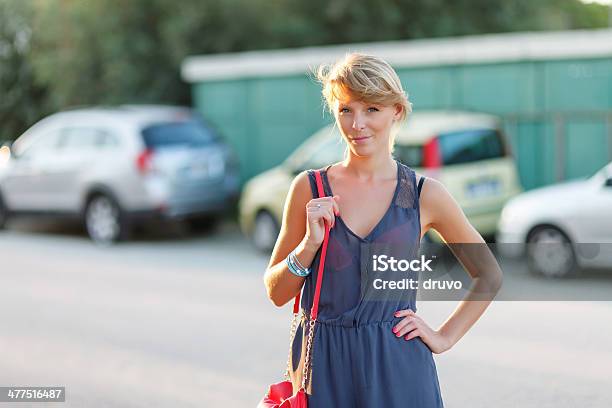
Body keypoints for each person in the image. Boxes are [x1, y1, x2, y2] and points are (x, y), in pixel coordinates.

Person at [263, 53, 502, 407]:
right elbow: (277, 293)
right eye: (346, 109)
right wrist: (309, 246)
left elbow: (488, 275)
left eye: (371, 109)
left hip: (399, 370)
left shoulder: (425, 194)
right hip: (322, 371)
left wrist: (444, 337)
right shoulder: (308, 188)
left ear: (396, 112)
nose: (357, 123)